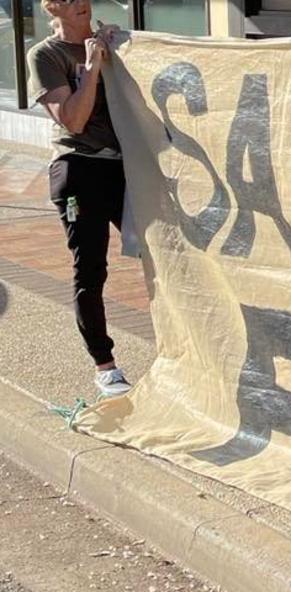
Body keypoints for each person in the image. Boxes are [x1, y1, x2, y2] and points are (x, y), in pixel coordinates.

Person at [26, 1, 130, 397]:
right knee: (91, 268)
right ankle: (106, 366)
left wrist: (123, 50)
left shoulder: (107, 42)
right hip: (77, 170)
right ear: (53, 7)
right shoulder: (46, 55)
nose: (82, 3)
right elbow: (74, 119)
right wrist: (90, 69)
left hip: (122, 167)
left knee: (162, 253)